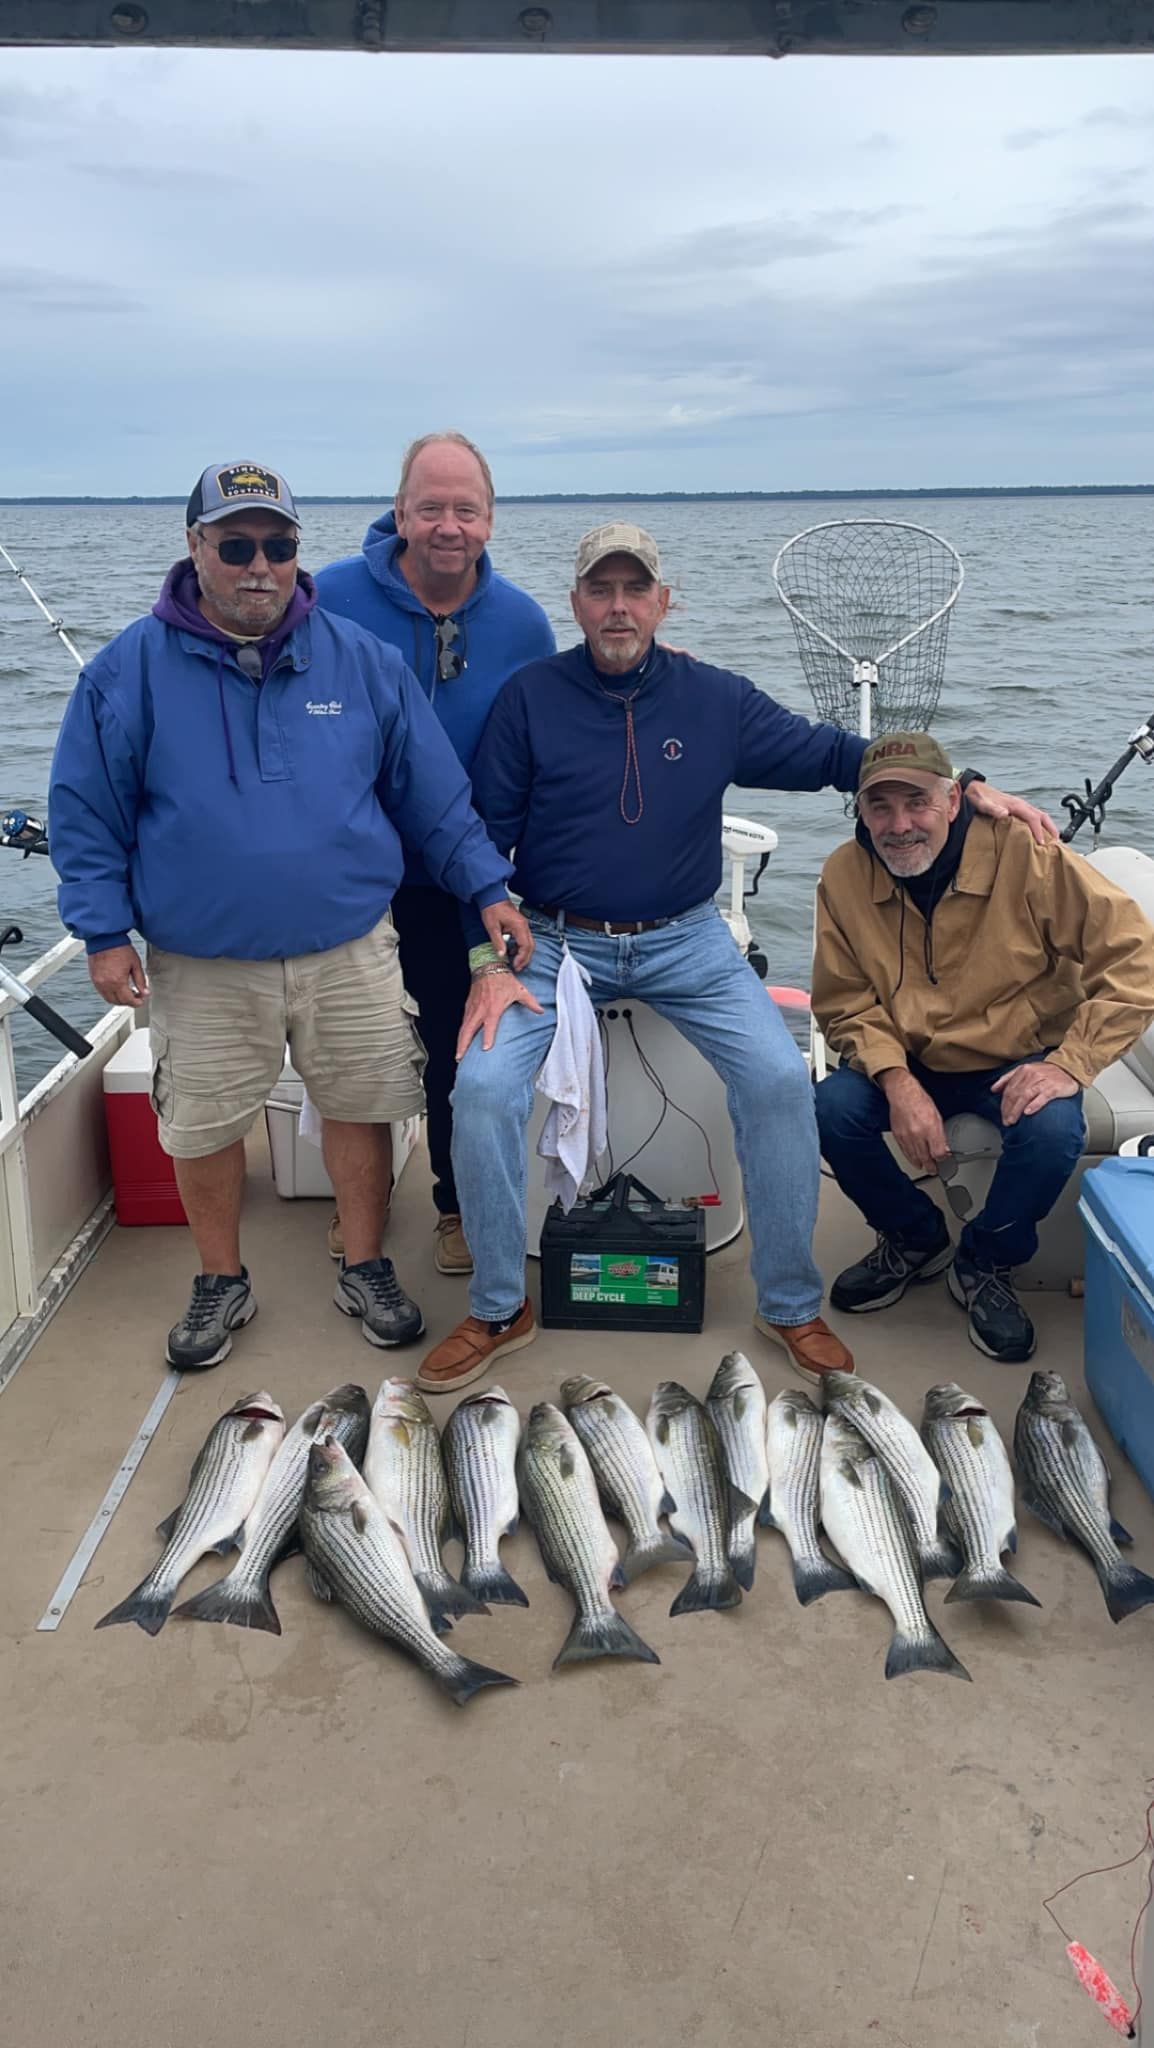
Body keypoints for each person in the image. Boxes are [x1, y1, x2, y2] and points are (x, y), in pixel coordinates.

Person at [413, 524, 1053, 1396]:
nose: (618, 607)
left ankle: (788, 1303)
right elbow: (478, 844)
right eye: (600, 590)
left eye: (636, 589)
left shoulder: (714, 698)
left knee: (781, 1082)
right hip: (553, 939)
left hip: (687, 938)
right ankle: (496, 1306)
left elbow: (837, 754)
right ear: (576, 605)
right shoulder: (529, 698)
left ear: (663, 602)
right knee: (481, 1091)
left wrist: (965, 784)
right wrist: (488, 960)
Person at [48, 460, 531, 1371]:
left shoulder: (361, 660)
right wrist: (103, 932)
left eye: (278, 545)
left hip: (348, 945)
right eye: (236, 545)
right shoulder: (127, 672)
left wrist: (487, 889)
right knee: (205, 1122)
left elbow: (434, 796)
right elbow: (85, 811)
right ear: (196, 549)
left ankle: (367, 1259)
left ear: (298, 552)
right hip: (201, 956)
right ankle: (220, 1279)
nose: (258, 565)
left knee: (362, 1104)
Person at [812, 731, 1154, 1362]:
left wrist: (1069, 1065)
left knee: (1053, 1130)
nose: (900, 825)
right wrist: (895, 1079)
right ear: (860, 813)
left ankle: (986, 1261)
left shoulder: (1027, 853)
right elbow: (844, 1000)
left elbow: (1136, 954)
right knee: (829, 1107)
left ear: (953, 801)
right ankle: (913, 1236)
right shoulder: (842, 875)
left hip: (1016, 1054)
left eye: (916, 803)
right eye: (880, 807)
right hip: (909, 1055)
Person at [314, 432, 554, 1276]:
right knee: (361, 1048)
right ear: (400, 511)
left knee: (463, 1039)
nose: (448, 525)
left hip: (471, 878)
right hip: (358, 870)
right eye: (431, 506)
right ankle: (362, 1205)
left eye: (467, 508)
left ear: (490, 517)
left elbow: (556, 723)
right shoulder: (332, 596)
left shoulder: (523, 621)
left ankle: (455, 1203)